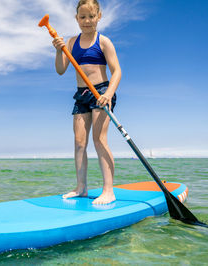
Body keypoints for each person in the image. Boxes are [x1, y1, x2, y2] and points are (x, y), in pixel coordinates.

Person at [52, 0, 121, 204]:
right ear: (76, 19)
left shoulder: (104, 42)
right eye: (82, 17)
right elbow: (60, 69)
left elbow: (117, 71)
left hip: (101, 92)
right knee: (79, 143)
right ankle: (81, 187)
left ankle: (109, 190)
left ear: (98, 17)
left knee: (100, 140)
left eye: (91, 16)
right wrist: (58, 50)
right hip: (81, 94)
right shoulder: (72, 43)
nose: (87, 21)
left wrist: (108, 93)